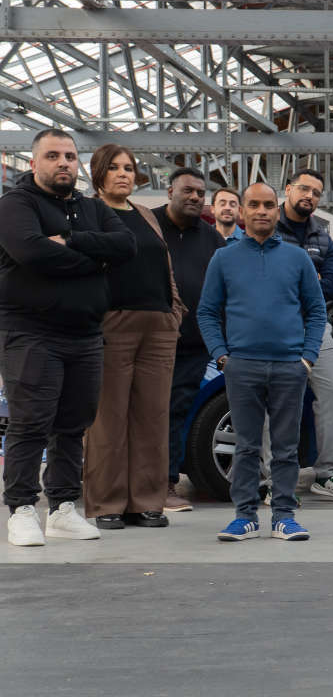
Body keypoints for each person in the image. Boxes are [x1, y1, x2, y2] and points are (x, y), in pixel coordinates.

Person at [1, 129, 134, 547]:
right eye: (53, 155)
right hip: (31, 331)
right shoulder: (14, 204)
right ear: (33, 163)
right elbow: (33, 252)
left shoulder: (92, 207)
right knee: (30, 422)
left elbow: (127, 245)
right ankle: (21, 509)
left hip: (86, 334)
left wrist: (74, 241)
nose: (64, 163)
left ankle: (61, 509)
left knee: (73, 426)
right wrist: (94, 261)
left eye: (71, 156)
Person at [198, 182, 328, 543]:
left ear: (276, 209)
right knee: (246, 447)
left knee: (286, 449)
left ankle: (284, 516)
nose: (261, 211)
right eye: (253, 205)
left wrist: (307, 358)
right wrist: (222, 356)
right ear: (242, 211)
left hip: (290, 366)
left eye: (268, 205)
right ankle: (245, 517)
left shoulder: (297, 257)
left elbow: (317, 311)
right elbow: (207, 311)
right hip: (242, 366)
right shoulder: (224, 258)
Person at [83, 145, 186, 530]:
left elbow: (164, 265)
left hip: (159, 324)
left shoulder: (145, 215)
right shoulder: (88, 212)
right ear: (98, 174)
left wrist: (174, 311)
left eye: (129, 168)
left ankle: (146, 501)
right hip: (112, 322)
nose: (124, 174)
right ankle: (106, 502)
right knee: (108, 418)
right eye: (114, 168)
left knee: (153, 418)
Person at [275, 168, 333, 503]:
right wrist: (309, 278)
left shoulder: (322, 236)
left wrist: (299, 282)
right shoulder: (269, 226)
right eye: (303, 188)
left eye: (316, 192)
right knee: (278, 400)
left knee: (332, 392)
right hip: (275, 325)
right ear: (288, 189)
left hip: (314, 324)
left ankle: (328, 473)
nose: (309, 196)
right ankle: (270, 478)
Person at [160, 167, 221, 513]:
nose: (196, 197)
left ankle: (166, 484)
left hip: (192, 347)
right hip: (148, 340)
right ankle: (126, 485)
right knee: (139, 414)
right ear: (170, 192)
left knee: (174, 413)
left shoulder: (214, 240)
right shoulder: (148, 227)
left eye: (200, 192)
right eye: (188, 191)